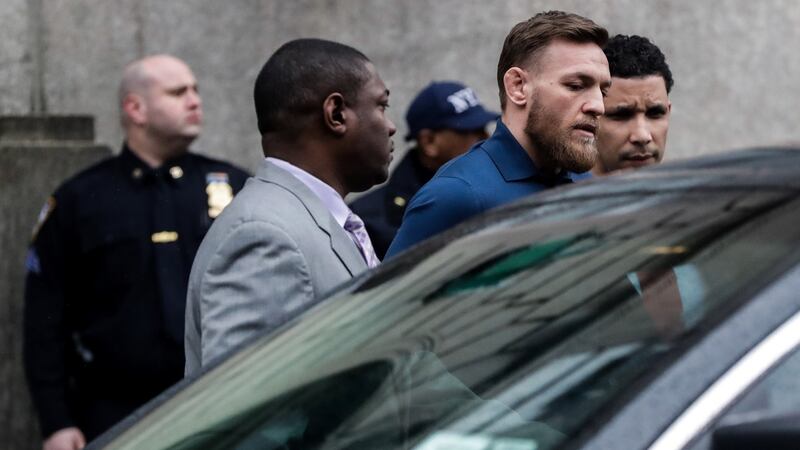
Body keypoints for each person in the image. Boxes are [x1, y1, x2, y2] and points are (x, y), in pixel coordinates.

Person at [23, 55, 249, 449]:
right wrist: (56, 420)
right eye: (178, 92)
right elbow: (45, 319)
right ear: (135, 108)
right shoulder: (81, 198)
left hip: (222, 400)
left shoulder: (233, 186)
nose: (195, 100)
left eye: (196, 90)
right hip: (114, 412)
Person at [184, 38, 396, 376]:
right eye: (381, 106)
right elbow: (250, 413)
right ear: (336, 113)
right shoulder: (265, 235)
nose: (390, 126)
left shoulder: (314, 220)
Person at [386, 11, 610, 258]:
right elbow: (383, 296)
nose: (598, 105)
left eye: (603, 91)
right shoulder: (457, 196)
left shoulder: (588, 188)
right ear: (517, 86)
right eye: (576, 86)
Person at [349, 81, 499, 258]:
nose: (487, 138)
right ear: (429, 142)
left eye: (484, 129)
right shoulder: (365, 222)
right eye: (472, 131)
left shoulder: (496, 188)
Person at [593, 34, 673, 175]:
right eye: (621, 115)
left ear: (668, 111)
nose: (642, 136)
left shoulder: (689, 195)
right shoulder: (552, 194)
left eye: (655, 114)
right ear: (590, 117)